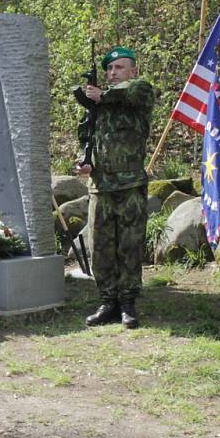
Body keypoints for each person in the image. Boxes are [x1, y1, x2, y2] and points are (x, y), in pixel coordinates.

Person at [77, 46, 155, 330]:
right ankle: (107, 301)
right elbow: (86, 138)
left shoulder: (139, 92)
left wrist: (102, 95)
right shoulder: (96, 107)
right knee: (101, 247)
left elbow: (135, 92)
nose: (113, 73)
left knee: (130, 246)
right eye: (110, 69)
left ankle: (128, 302)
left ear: (133, 70)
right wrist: (84, 162)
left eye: (119, 67)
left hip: (130, 185)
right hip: (101, 186)